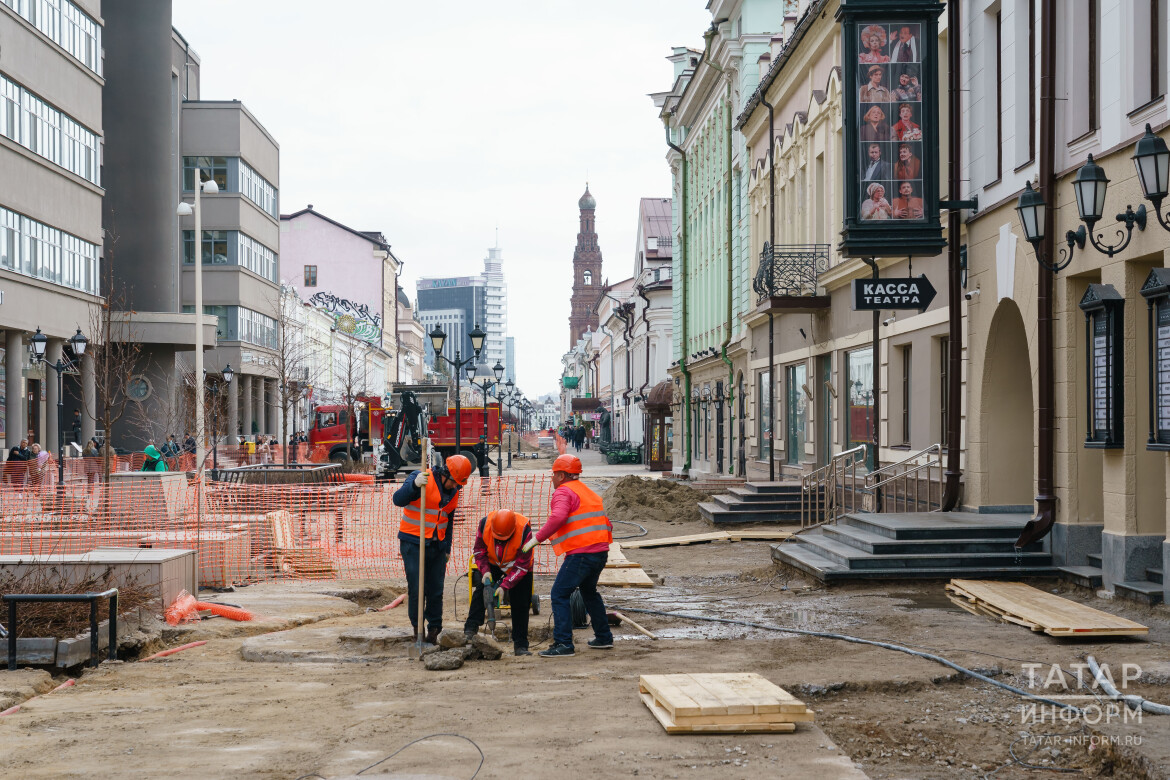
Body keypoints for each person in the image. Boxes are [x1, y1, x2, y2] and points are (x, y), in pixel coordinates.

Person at [522, 454, 614, 657]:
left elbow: (558, 517)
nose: (552, 479)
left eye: (554, 475)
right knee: (589, 592)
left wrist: (537, 538)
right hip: (600, 551)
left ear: (562, 475)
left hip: (582, 553)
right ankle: (604, 637)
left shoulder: (564, 492)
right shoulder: (587, 491)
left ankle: (564, 644)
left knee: (559, 594)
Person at [393, 453, 472, 645]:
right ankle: (417, 629)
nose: (456, 486)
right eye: (454, 482)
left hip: (437, 545)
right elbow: (398, 499)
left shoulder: (454, 490)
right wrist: (413, 485)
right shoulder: (420, 478)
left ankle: (434, 630)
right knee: (417, 588)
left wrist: (447, 548)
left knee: (436, 589)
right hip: (413, 542)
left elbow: (449, 520)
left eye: (459, 484)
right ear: (445, 474)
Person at [464, 509, 534, 656]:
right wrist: (485, 571)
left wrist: (505, 586)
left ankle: (520, 645)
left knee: (521, 602)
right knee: (481, 591)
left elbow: (522, 566)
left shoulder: (524, 531)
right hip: (493, 563)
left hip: (518, 566)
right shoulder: (485, 525)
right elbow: (479, 551)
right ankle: (469, 631)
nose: (500, 541)